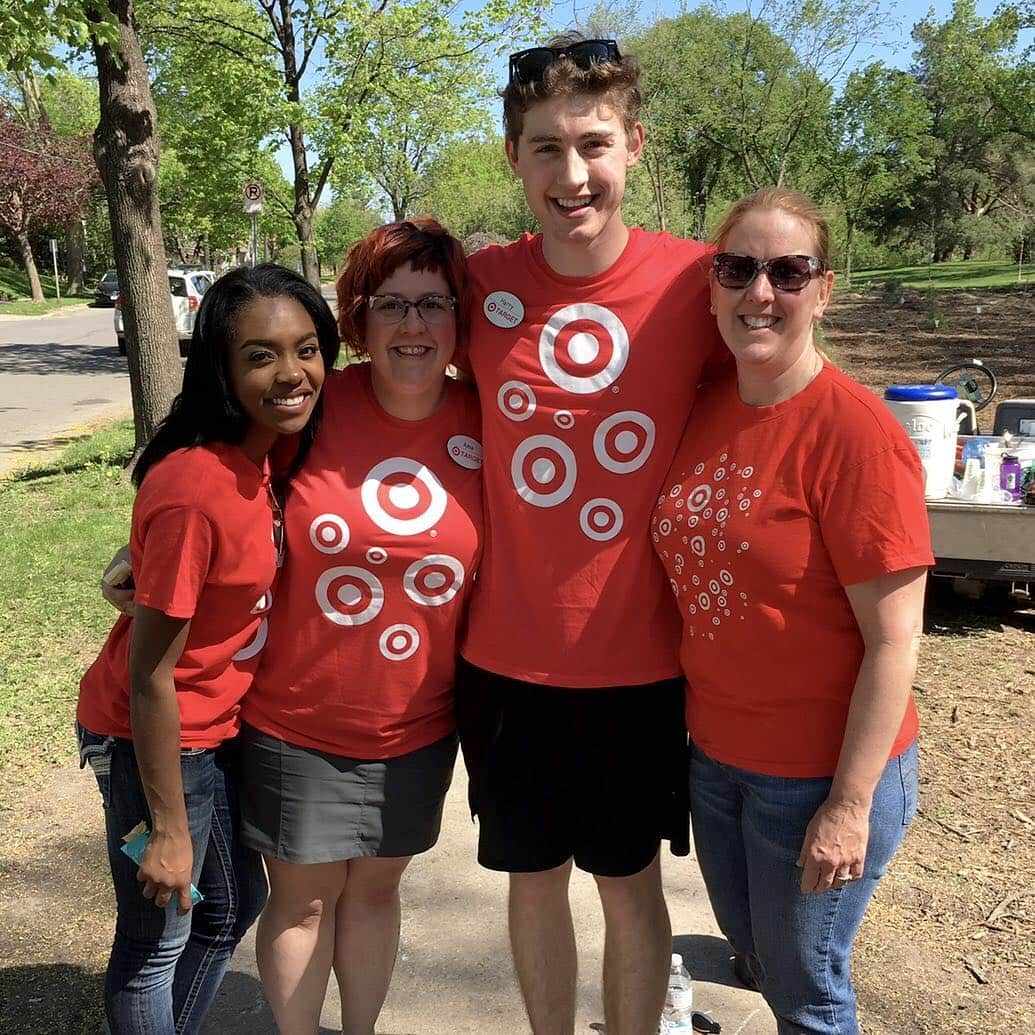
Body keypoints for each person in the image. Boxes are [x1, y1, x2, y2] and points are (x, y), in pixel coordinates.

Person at [453, 35, 725, 1035]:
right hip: (507, 663)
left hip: (644, 666)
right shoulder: (475, 288)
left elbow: (787, 409)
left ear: (635, 147)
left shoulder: (702, 286)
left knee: (628, 883)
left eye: (594, 145)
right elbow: (356, 395)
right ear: (513, 157)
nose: (573, 176)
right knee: (531, 882)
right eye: (545, 150)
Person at [651, 188, 932, 1035]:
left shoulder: (856, 435)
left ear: (823, 289)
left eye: (787, 270)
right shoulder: (703, 406)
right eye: (736, 269)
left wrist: (846, 805)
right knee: (756, 950)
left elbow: (893, 642)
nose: (758, 292)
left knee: (807, 991)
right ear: (710, 287)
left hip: (816, 774)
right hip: (717, 756)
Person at [77, 263, 338, 1035]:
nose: (291, 372)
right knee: (159, 933)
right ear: (221, 370)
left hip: (214, 728)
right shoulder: (198, 486)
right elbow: (151, 674)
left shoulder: (259, 457)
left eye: (307, 348)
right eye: (260, 355)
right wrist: (165, 827)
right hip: (150, 733)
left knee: (230, 905)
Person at [236, 219, 482, 1035]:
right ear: (358, 317)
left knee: (376, 892)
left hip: (417, 722)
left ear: (457, 318)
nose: (412, 326)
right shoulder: (311, 403)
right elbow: (210, 474)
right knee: (302, 900)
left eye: (433, 303)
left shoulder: (490, 420)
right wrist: (145, 548)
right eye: (391, 305)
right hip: (295, 715)